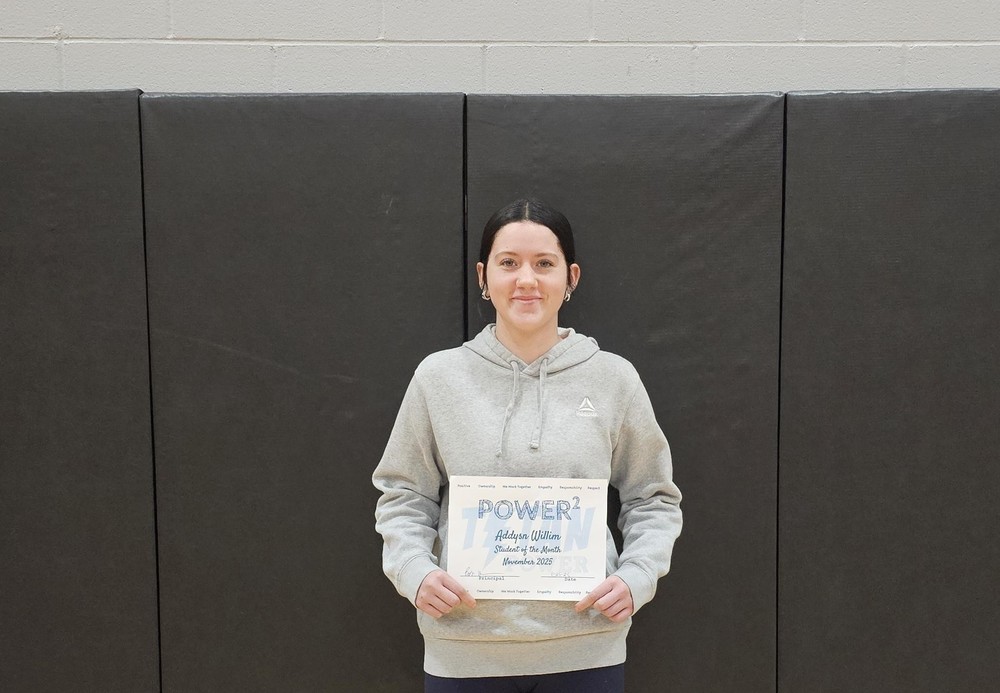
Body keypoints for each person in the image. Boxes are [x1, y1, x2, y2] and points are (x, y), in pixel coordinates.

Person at [373, 198, 682, 693]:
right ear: (483, 275)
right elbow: (404, 497)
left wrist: (637, 577)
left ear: (571, 276)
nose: (526, 280)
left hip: (587, 649)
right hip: (462, 653)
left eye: (544, 264)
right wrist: (414, 571)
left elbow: (653, 498)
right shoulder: (438, 378)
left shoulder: (614, 379)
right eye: (508, 262)